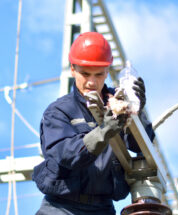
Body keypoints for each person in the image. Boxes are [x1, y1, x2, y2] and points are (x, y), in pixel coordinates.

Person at [33, 32, 155, 215]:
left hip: (102, 207)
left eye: (99, 74)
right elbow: (68, 155)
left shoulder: (120, 102)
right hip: (61, 207)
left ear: (107, 71)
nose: (92, 82)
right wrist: (105, 130)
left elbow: (140, 146)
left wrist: (138, 115)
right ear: (73, 69)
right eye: (85, 74)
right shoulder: (59, 112)